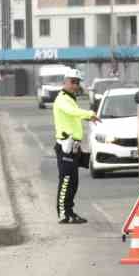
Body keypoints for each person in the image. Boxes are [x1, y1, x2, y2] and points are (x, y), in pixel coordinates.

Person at [52, 73, 96, 225]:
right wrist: (89, 114)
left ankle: (70, 212)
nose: (76, 85)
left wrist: (88, 117)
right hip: (65, 147)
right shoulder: (62, 99)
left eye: (77, 82)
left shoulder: (70, 99)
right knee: (66, 181)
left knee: (73, 182)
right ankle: (63, 214)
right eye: (73, 82)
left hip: (74, 147)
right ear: (65, 82)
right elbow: (72, 112)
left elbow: (75, 115)